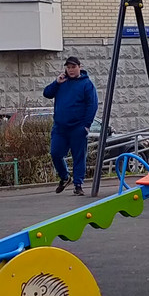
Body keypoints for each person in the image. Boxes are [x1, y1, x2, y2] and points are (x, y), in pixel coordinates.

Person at [43, 55, 98, 195]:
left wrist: (86, 125)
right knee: (55, 153)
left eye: (73, 67)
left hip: (77, 127)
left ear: (80, 67)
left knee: (78, 156)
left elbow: (92, 105)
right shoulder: (62, 82)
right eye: (68, 67)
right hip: (60, 127)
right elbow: (47, 93)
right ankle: (65, 177)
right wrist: (56, 82)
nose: (71, 70)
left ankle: (78, 185)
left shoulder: (87, 84)